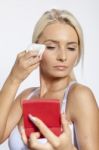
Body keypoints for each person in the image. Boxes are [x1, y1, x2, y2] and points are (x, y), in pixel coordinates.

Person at [0, 9, 99, 150]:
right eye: (52, 47)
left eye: (71, 48)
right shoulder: (26, 96)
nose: (63, 56)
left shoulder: (79, 96)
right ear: (35, 48)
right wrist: (14, 79)